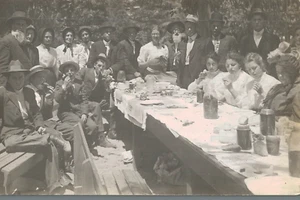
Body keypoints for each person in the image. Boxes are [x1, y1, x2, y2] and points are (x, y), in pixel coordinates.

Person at [0, 60, 71, 194]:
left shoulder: (28, 92)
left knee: (50, 142)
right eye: (14, 78)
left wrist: (39, 126)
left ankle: (53, 184)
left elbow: (36, 113)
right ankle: (49, 140)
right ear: (9, 78)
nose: (18, 81)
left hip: (30, 131)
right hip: (12, 133)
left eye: (20, 77)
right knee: (11, 143)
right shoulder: (3, 93)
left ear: (24, 77)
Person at [54, 61, 113, 152]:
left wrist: (84, 112)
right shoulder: (59, 83)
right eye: (67, 71)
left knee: (92, 126)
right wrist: (64, 86)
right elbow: (57, 99)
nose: (70, 72)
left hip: (77, 110)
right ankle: (84, 148)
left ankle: (92, 142)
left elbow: (84, 99)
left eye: (72, 70)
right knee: (80, 123)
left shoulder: (79, 83)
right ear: (64, 73)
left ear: (75, 72)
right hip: (65, 111)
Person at [77, 53, 117, 146]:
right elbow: (76, 81)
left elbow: (106, 92)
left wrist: (107, 82)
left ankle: (113, 130)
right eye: (99, 65)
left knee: (113, 106)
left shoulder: (102, 77)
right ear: (94, 65)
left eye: (103, 66)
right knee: (96, 106)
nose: (101, 68)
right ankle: (101, 138)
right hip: (81, 100)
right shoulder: (85, 71)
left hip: (92, 101)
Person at [239, 8, 280, 78]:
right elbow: (242, 59)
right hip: (250, 75)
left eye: (259, 20)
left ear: (264, 21)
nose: (257, 22)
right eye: (254, 20)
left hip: (268, 75)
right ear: (251, 22)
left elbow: (277, 59)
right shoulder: (244, 40)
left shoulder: (273, 39)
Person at [177, 14, 214, 89]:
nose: (189, 29)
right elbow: (180, 63)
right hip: (184, 77)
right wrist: (177, 60)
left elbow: (211, 60)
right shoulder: (182, 43)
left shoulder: (205, 42)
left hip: (198, 77)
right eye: (187, 27)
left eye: (191, 27)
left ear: (196, 27)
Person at [0, 11, 33, 86]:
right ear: (12, 26)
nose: (21, 27)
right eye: (18, 24)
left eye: (23, 25)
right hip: (10, 89)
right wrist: (3, 91)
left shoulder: (23, 43)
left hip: (22, 87)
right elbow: (2, 69)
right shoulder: (6, 41)